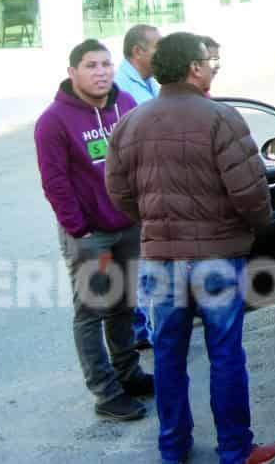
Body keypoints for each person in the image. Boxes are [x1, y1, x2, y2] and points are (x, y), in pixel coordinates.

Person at [105, 33, 275, 464]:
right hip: (218, 257)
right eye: (208, 61)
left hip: (162, 260)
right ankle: (236, 450)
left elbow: (119, 192)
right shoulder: (221, 118)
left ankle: (173, 449)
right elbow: (251, 193)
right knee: (225, 355)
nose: (212, 66)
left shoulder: (130, 123)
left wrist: (154, 223)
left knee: (168, 356)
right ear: (193, 68)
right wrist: (257, 227)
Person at [35, 39, 154, 422]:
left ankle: (128, 373)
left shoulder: (127, 106)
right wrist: (79, 229)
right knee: (91, 312)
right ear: (73, 72)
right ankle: (105, 392)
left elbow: (143, 160)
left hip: (128, 226)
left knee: (124, 305)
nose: (101, 72)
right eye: (90, 65)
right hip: (90, 234)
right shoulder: (53, 121)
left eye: (105, 64)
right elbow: (55, 182)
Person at [115, 24, 160, 349]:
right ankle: (136, 330)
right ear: (138, 51)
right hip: (136, 188)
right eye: (156, 46)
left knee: (144, 265)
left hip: (152, 186)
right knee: (136, 265)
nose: (161, 52)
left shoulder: (149, 82)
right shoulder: (122, 90)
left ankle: (141, 328)